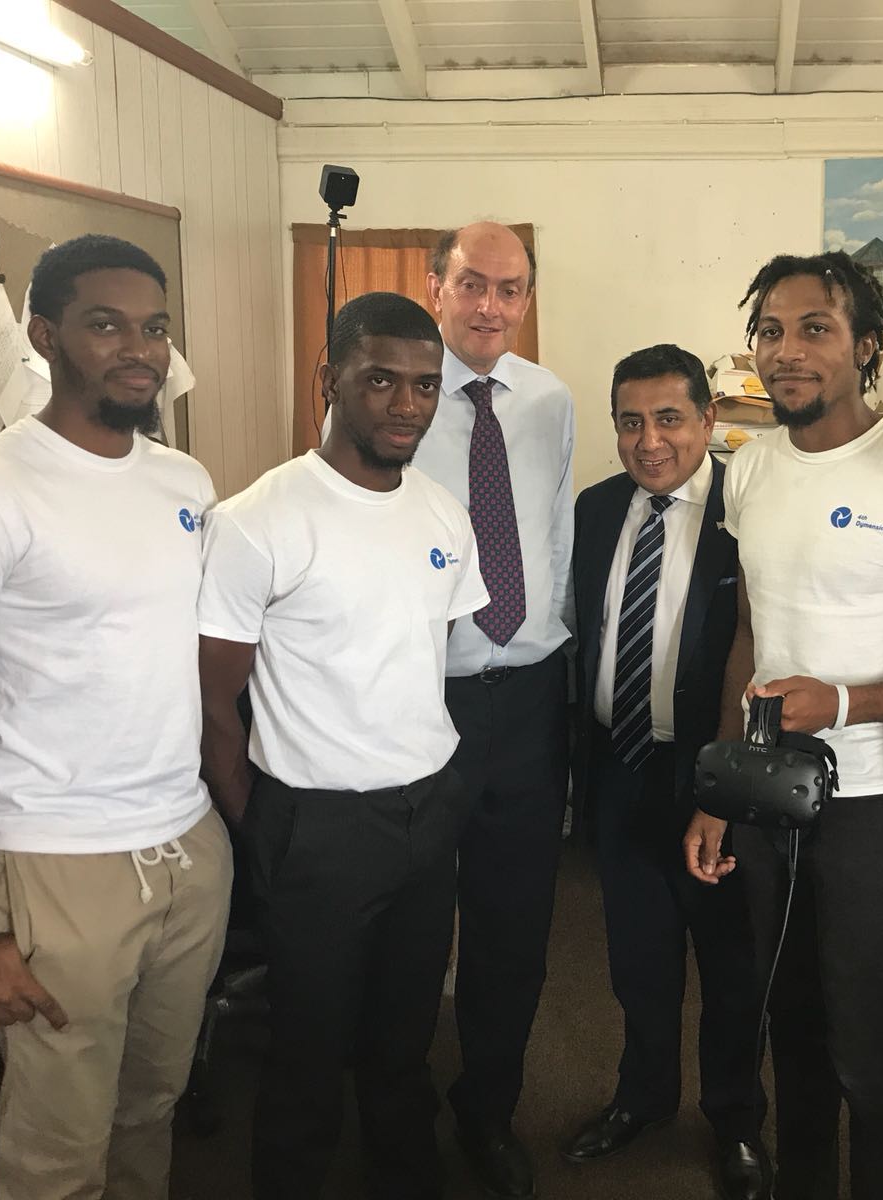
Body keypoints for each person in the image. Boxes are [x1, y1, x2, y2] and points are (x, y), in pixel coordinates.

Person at [0, 234, 231, 1200]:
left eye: (153, 327)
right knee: (56, 1152)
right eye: (106, 325)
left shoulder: (182, 482)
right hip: (58, 865)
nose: (137, 348)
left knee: (151, 1109)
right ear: (44, 333)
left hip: (184, 847)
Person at [684, 251, 883, 1200]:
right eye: (770, 330)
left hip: (872, 796)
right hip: (769, 791)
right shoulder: (751, 467)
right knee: (792, 1020)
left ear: (867, 345)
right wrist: (720, 791)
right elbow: (748, 638)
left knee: (869, 1036)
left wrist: (850, 704)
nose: (786, 350)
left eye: (815, 328)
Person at [196, 291, 488, 1199]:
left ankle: (408, 1177)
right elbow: (211, 701)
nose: (407, 405)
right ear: (331, 381)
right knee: (308, 1052)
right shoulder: (260, 518)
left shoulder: (441, 512)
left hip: (425, 811)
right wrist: (269, 827)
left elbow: (424, 657)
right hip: (314, 824)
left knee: (404, 1040)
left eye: (425, 386)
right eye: (380, 381)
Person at [565, 344, 771, 1198]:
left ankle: (736, 1123)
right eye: (630, 421)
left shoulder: (748, 512)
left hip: (711, 774)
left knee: (729, 965)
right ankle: (642, 1097)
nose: (650, 442)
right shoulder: (596, 508)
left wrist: (720, 785)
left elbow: (758, 652)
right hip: (620, 770)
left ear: (709, 421)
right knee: (637, 958)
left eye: (670, 419)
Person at [410, 221, 576, 1197]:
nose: (489, 307)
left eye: (509, 290)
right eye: (471, 284)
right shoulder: (393, 390)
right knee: (415, 921)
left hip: (527, 702)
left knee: (513, 930)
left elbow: (547, 529)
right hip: (423, 700)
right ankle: (397, 1117)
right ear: (436, 286)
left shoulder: (549, 400)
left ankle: (488, 1112)